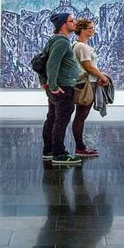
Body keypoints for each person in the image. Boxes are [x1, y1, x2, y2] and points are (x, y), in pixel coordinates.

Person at [40, 13, 82, 166]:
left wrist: (45, 82)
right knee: (61, 119)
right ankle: (59, 154)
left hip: (58, 87)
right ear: (63, 24)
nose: (75, 23)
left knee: (52, 117)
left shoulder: (54, 40)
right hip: (62, 88)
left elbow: (42, 61)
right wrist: (53, 86)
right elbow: (51, 64)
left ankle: (49, 151)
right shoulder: (62, 42)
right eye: (72, 21)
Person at [71, 18, 110, 157]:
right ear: (82, 30)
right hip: (87, 84)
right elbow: (88, 66)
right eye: (90, 28)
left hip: (87, 82)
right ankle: (80, 148)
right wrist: (103, 77)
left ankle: (80, 147)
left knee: (80, 116)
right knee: (81, 116)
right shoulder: (82, 47)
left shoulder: (78, 45)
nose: (93, 30)